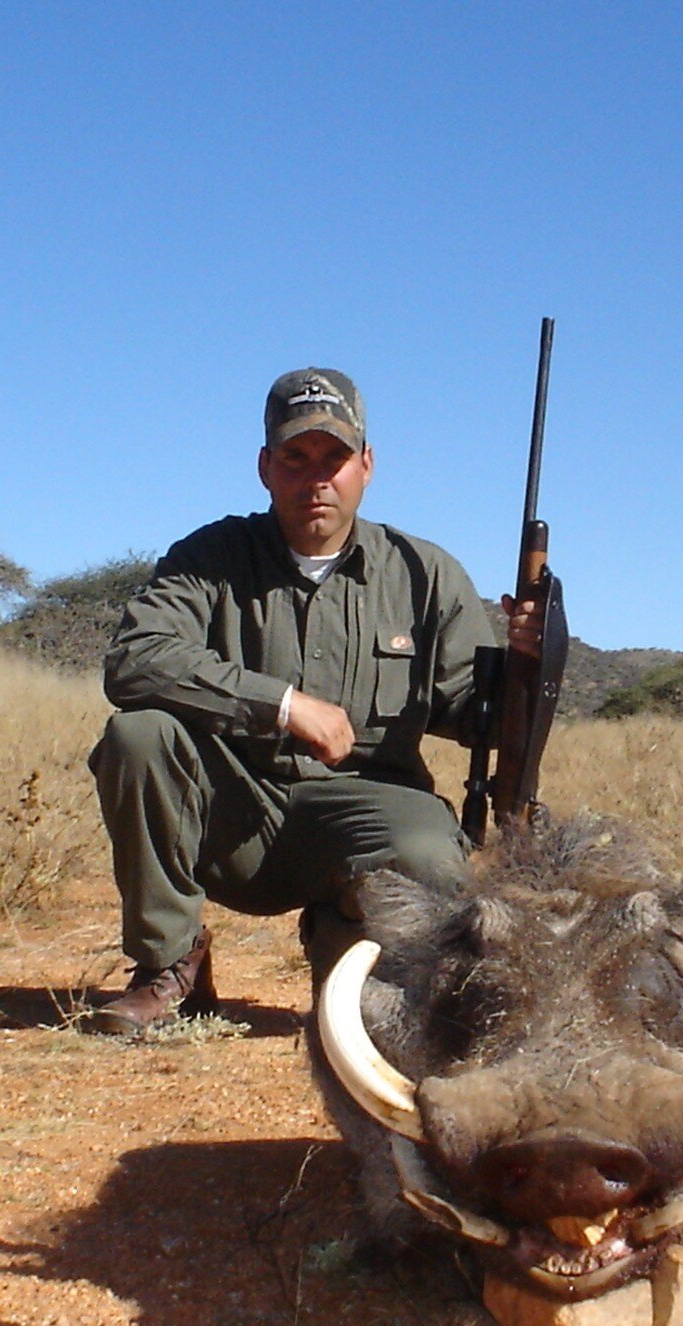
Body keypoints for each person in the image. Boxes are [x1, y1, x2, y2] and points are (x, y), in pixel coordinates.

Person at [84, 367, 539, 1032]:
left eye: (336, 458)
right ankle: (170, 963)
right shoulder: (209, 555)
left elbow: (474, 716)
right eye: (295, 458)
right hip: (238, 815)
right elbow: (133, 660)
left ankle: (344, 935)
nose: (316, 478)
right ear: (266, 467)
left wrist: (527, 668)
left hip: (368, 812)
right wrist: (283, 705)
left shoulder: (426, 571)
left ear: (367, 466)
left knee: (430, 858)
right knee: (138, 735)